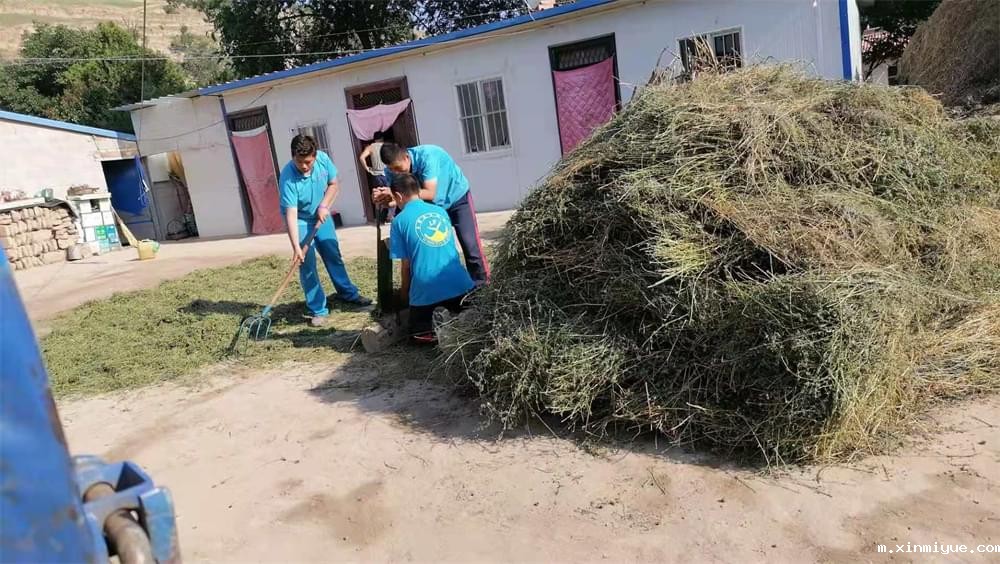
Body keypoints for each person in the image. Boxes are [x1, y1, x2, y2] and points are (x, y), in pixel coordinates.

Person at [279, 134, 371, 327]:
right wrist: (296, 246)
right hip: (300, 220)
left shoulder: (322, 160)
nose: (304, 166)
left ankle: (348, 294)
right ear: (292, 156)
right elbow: (290, 213)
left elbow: (334, 184)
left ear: (315, 156)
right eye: (299, 161)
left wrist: (323, 206)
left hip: (321, 214)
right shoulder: (287, 176)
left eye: (308, 162)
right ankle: (318, 309)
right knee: (306, 263)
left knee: (332, 254)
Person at [373, 143, 489, 286]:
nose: (396, 173)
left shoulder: (428, 156)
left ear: (406, 157)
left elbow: (430, 193)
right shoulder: (391, 171)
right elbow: (399, 200)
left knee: (470, 245)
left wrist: (397, 193)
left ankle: (483, 285)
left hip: (456, 198)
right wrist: (384, 199)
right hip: (433, 207)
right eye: (391, 170)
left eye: (398, 168)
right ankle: (443, 286)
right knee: (433, 248)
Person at [387, 173, 474, 342]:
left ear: (397, 196)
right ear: (419, 191)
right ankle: (458, 319)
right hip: (462, 286)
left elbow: (406, 266)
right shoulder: (440, 211)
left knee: (415, 335)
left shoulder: (399, 221)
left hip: (426, 291)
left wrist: (404, 295)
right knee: (462, 309)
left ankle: (437, 331)